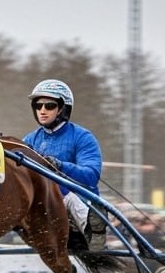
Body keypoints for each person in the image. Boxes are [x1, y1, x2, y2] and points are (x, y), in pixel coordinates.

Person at [22, 78, 107, 251]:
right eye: (38, 106)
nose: (43, 110)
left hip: (74, 201)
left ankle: (93, 232)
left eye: (49, 105)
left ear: (62, 108)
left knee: (68, 197)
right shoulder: (29, 140)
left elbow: (91, 175)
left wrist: (60, 166)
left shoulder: (82, 137)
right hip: (41, 203)